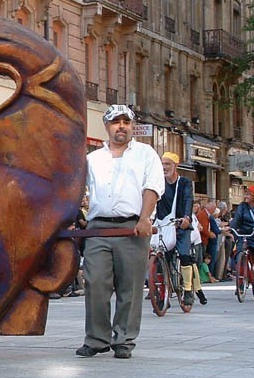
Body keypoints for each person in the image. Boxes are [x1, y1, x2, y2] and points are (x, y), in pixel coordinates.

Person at [76, 104, 164, 359]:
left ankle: (124, 339)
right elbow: (76, 189)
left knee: (130, 286)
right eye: (116, 122)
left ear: (132, 126)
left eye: (126, 122)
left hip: (132, 228)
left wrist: (145, 217)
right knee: (95, 283)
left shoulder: (145, 154)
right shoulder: (93, 159)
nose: (121, 126)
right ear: (107, 127)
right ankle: (96, 339)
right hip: (98, 228)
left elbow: (152, 187)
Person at [154, 152, 206, 308]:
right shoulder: (158, 183)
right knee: (160, 258)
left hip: (181, 224)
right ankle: (163, 294)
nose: (164, 167)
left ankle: (188, 291)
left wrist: (186, 218)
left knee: (184, 255)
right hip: (165, 225)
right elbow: (152, 200)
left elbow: (188, 200)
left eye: (167, 164)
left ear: (175, 165)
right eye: (162, 164)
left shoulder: (184, 183)